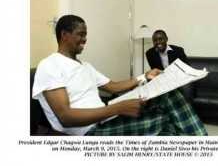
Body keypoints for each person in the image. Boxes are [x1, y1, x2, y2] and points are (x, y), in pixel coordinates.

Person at [32, 15, 207, 136]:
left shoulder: (85, 66)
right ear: (64, 35)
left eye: (86, 35)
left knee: (168, 101)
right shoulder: (50, 65)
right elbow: (66, 118)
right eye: (81, 34)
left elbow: (113, 86)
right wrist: (117, 108)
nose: (85, 39)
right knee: (169, 122)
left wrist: (145, 76)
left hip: (107, 118)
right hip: (90, 132)